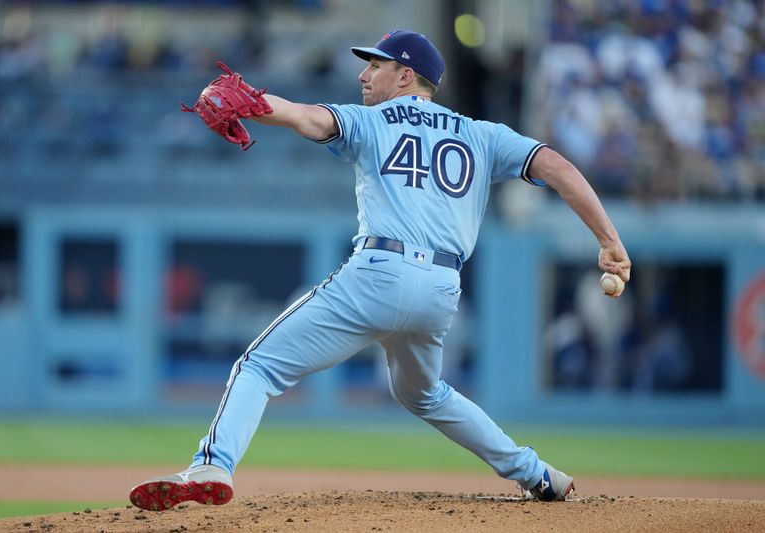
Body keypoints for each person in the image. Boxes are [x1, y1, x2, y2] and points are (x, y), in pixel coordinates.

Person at [129, 29, 632, 511]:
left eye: (376, 65)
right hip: (441, 288)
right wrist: (609, 242)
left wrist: (257, 105)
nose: (364, 76)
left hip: (379, 270)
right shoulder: (482, 135)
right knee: (424, 393)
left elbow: (307, 119)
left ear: (406, 77)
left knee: (257, 367)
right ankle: (538, 474)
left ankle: (211, 468)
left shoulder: (376, 120)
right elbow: (559, 168)